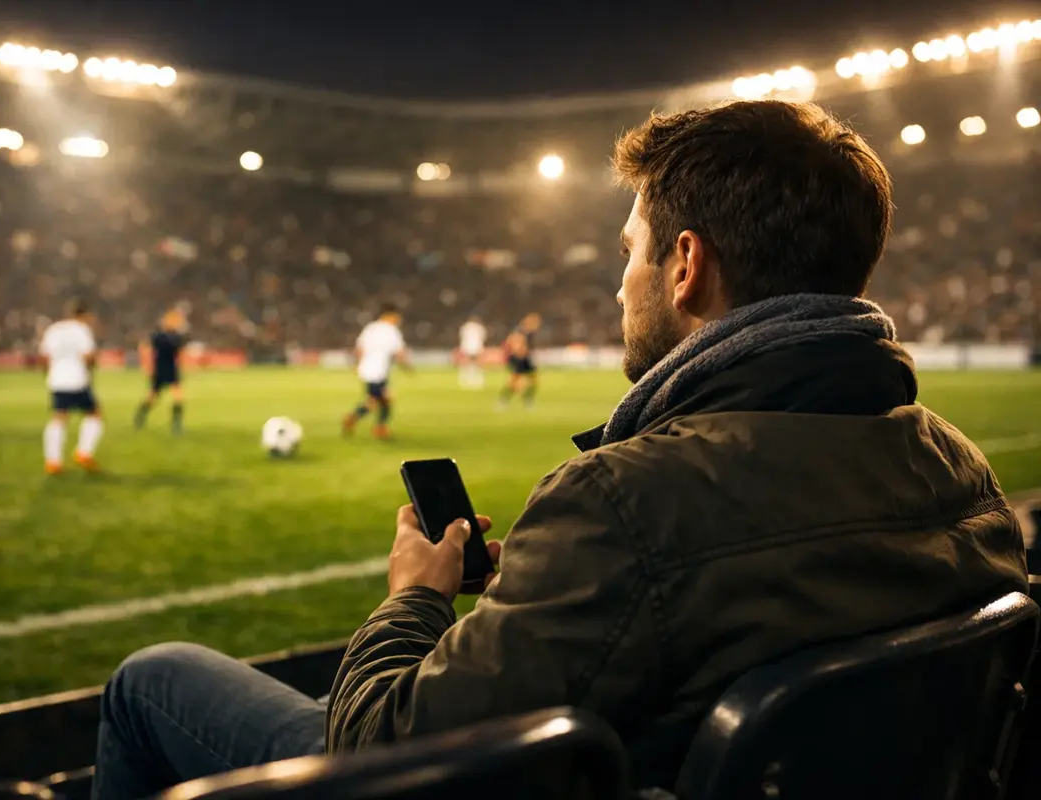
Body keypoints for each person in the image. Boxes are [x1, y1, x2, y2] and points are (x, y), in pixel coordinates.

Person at [91, 100, 1027, 798]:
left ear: (687, 264)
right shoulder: (961, 469)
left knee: (151, 680)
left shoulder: (628, 500)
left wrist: (416, 598)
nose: (621, 284)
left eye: (628, 252)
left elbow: (380, 757)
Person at [39, 300, 104, 474]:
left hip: (57, 379)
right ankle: (84, 452)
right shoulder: (81, 330)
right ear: (85, 315)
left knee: (59, 417)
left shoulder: (54, 329)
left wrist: (49, 374)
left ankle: (53, 461)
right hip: (77, 378)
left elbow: (45, 357)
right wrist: (92, 368)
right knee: (94, 414)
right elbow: (88, 355)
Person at [342, 304, 409, 440]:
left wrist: (357, 365)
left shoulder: (370, 328)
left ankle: (370, 424)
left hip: (366, 369)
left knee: (377, 400)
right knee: (381, 400)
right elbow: (399, 353)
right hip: (379, 371)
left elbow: (359, 349)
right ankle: (370, 424)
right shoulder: (392, 330)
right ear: (390, 315)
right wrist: (407, 367)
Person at [134, 309, 188, 435]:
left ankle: (176, 425)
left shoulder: (177, 337)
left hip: (172, 370)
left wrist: (183, 366)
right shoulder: (158, 336)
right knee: (152, 397)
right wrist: (146, 366)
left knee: (179, 397)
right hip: (159, 369)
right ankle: (140, 418)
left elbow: (180, 354)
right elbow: (145, 349)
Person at [498, 312, 541, 408]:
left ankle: (528, 400)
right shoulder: (520, 331)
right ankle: (504, 400)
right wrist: (519, 352)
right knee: (515, 383)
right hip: (519, 359)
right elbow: (513, 343)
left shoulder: (529, 333)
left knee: (533, 380)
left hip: (525, 359)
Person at [457, 315, 487, 389]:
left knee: (467, 362)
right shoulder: (479, 327)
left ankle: (464, 378)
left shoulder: (465, 327)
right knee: (477, 363)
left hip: (467, 346)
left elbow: (461, 336)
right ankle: (478, 379)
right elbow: (483, 336)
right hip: (477, 346)